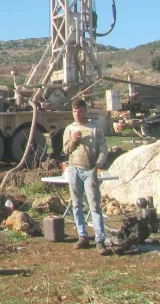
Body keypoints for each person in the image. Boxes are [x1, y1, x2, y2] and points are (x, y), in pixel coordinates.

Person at [62, 99, 111, 256]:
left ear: (85, 112)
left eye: (80, 111)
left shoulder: (94, 128)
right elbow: (66, 150)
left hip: (89, 170)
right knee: (76, 205)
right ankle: (82, 236)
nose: (77, 114)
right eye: (75, 111)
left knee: (94, 205)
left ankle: (100, 240)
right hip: (74, 169)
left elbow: (104, 148)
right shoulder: (70, 129)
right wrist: (73, 141)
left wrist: (97, 165)